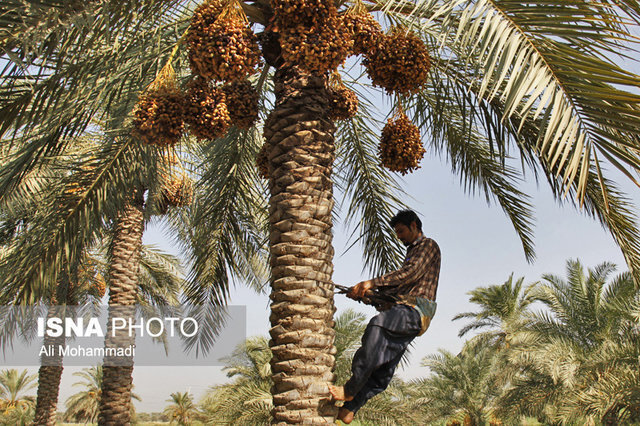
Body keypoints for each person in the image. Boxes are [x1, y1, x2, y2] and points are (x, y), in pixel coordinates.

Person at [328, 209, 441, 424]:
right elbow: (394, 297)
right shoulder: (411, 252)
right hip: (407, 311)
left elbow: (410, 273)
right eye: (396, 233)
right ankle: (350, 409)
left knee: (377, 327)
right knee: (384, 369)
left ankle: (350, 389)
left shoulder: (428, 246)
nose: (399, 237)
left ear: (414, 226)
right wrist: (365, 295)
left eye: (401, 231)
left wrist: (371, 283)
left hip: (415, 311)